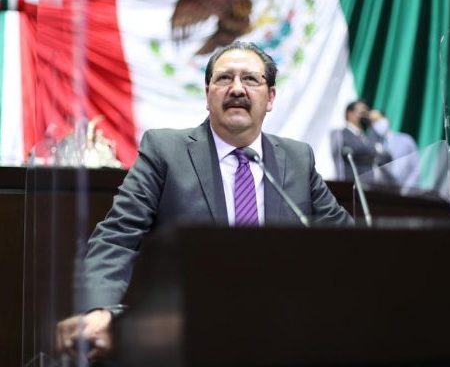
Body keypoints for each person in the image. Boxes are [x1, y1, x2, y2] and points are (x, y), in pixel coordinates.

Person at [57, 41, 353, 360]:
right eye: (224, 78)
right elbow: (117, 238)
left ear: (270, 97)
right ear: (207, 94)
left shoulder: (297, 159)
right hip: (188, 338)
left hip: (280, 339)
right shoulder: (166, 151)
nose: (236, 89)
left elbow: (348, 244)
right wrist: (98, 308)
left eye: (250, 79)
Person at [330, 100, 391, 181]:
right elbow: (357, 149)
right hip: (349, 184)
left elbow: (386, 157)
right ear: (350, 114)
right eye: (362, 113)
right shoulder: (340, 134)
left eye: (367, 114)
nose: (365, 117)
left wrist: (375, 122)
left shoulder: (366, 137)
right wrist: (375, 150)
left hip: (369, 185)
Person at [367, 109, 420, 187]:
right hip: (381, 189)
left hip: (405, 189)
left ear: (386, 119)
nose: (376, 123)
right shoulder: (369, 145)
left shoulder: (406, 140)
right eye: (372, 122)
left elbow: (415, 168)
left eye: (377, 119)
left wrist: (407, 188)